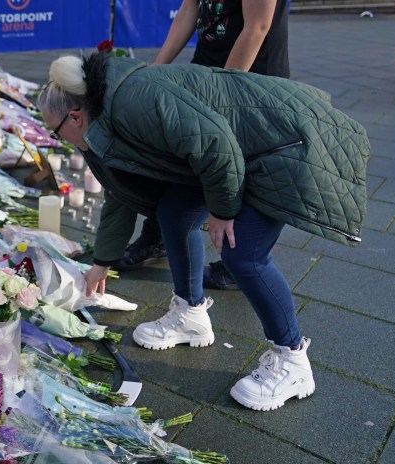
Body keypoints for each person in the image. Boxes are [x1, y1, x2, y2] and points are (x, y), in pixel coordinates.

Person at [38, 53, 370, 411]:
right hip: (239, 148)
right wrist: (102, 261)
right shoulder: (96, 126)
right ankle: (191, 316)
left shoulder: (132, 102)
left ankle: (292, 361)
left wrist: (222, 211)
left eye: (54, 131)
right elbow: (120, 194)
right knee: (174, 214)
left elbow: (216, 146)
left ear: (75, 116)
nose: (59, 141)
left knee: (243, 252)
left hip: (285, 142)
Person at [113, 0, 293, 290]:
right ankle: (157, 234)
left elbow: (257, 26)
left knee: (238, 170)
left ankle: (240, 261)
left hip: (253, 81)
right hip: (206, 68)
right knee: (176, 158)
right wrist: (154, 72)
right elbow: (191, 9)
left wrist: (223, 95)